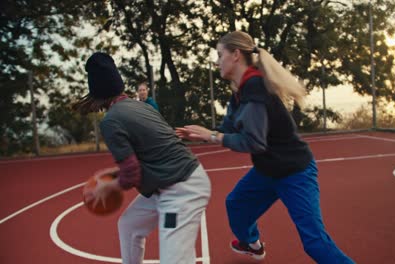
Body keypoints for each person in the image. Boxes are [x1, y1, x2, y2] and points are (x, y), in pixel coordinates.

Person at [176, 31, 354, 263]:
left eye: (220, 55)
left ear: (236, 55)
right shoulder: (238, 91)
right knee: (236, 204)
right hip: (267, 171)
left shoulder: (256, 89)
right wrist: (197, 134)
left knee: (315, 244)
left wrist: (211, 136)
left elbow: (253, 142)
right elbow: (229, 128)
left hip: (295, 172)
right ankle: (253, 245)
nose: (217, 61)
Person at [73, 52, 211, 264]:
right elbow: (149, 155)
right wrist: (114, 174)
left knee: (174, 261)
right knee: (129, 225)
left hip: (180, 191)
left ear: (95, 94)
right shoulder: (142, 106)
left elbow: (131, 174)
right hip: (170, 182)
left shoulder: (111, 121)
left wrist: (108, 186)